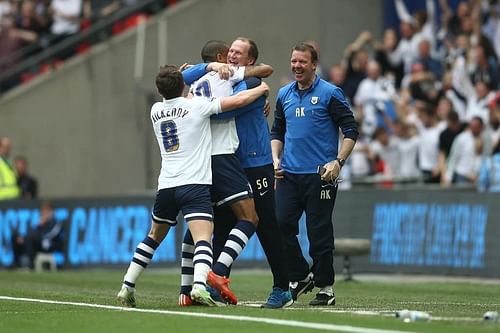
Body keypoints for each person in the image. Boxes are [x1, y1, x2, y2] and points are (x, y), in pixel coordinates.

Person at [116, 64, 269, 308]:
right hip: (194, 185)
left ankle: (127, 285)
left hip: (166, 186)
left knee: (153, 237)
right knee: (203, 239)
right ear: (183, 85)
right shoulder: (196, 106)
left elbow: (171, 89)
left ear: (159, 89)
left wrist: (178, 74)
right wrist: (260, 90)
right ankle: (198, 286)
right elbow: (237, 101)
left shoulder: (155, 110)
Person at [181, 37, 293, 309]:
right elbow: (185, 75)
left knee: (265, 223)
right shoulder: (225, 79)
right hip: (230, 163)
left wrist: (197, 102)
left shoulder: (252, 84)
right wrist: (204, 68)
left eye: (238, 53)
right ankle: (216, 284)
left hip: (255, 162)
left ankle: (282, 287)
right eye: (230, 51)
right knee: (221, 221)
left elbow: (220, 111)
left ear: (249, 60)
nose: (232, 55)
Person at [270, 43, 358, 306]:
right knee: (279, 225)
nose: (296, 66)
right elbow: (277, 132)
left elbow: (351, 131)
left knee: (318, 232)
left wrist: (338, 162)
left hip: (321, 175)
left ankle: (326, 288)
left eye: (302, 62)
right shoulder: (284, 94)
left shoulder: (331, 93)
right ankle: (300, 274)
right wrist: (275, 159)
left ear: (313, 65)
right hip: (289, 175)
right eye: (293, 61)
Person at [11, 201, 64, 269]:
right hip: (37, 242)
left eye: (46, 212)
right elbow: (33, 232)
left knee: (31, 238)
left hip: (48, 245)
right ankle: (17, 263)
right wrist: (24, 237)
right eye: (43, 212)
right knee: (15, 237)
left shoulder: (56, 223)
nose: (43, 214)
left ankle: (30, 263)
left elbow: (50, 235)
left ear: (52, 212)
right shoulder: (40, 223)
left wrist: (39, 231)